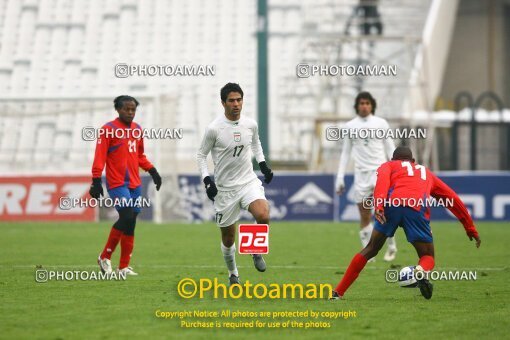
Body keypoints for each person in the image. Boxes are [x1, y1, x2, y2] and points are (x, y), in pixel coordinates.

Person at [331, 146, 481, 300]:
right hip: (416, 208)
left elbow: (382, 183)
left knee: (371, 249)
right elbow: (452, 198)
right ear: (413, 161)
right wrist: (470, 228)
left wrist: (379, 205)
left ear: (393, 160)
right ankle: (420, 271)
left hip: (392, 207)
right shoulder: (425, 172)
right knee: (427, 256)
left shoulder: (388, 165)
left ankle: (338, 292)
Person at [196, 82, 273, 285]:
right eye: (231, 100)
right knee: (229, 239)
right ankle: (233, 273)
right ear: (223, 103)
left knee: (263, 215)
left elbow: (256, 143)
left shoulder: (250, 124)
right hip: (225, 190)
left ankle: (255, 250)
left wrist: (263, 164)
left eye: (239, 100)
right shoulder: (214, 129)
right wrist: (207, 181)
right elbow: (201, 155)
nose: (236, 104)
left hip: (248, 182)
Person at [90, 95, 162, 276]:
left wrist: (152, 171)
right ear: (118, 109)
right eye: (126, 109)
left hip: (135, 184)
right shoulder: (108, 130)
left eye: (133, 110)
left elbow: (139, 156)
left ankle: (123, 267)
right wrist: (96, 180)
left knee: (131, 223)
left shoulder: (137, 130)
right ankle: (104, 256)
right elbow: (100, 156)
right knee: (127, 215)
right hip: (117, 183)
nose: (130, 112)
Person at [336, 91, 397, 261]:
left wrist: (396, 171)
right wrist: (340, 177)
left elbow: (390, 148)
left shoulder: (381, 123)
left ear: (372, 105)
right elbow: (345, 153)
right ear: (357, 106)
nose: (364, 106)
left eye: (367, 103)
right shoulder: (350, 126)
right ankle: (368, 253)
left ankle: (391, 246)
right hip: (361, 176)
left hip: (381, 173)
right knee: (364, 214)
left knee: (383, 211)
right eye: (361, 103)